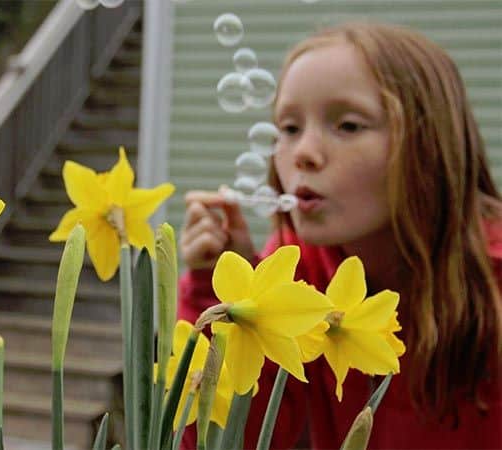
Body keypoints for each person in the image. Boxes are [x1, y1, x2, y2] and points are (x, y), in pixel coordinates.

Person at [177, 21, 502, 449]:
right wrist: (219, 295)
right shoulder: (298, 271)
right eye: (289, 129)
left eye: (347, 126)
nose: (304, 153)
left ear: (428, 143)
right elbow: (230, 438)